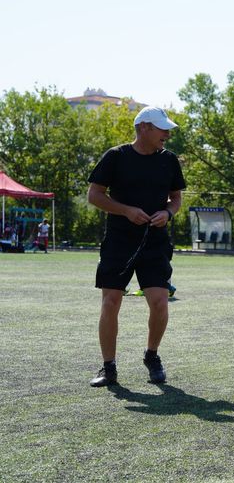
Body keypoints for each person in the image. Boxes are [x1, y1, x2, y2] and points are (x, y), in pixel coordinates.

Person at [86, 106, 186, 387]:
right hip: (119, 241)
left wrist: (168, 213)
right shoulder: (115, 156)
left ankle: (152, 355)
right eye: (161, 128)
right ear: (143, 127)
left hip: (155, 242)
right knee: (110, 302)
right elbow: (94, 195)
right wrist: (126, 210)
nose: (167, 133)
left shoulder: (169, 160)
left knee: (160, 302)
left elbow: (175, 199)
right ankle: (109, 367)